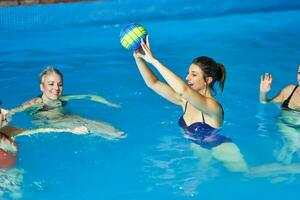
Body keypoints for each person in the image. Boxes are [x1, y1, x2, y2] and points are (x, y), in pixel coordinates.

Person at [133, 36, 247, 172]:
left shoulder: (213, 107)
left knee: (247, 175)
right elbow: (153, 83)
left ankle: (279, 168)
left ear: (208, 80)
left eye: (194, 74)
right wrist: (138, 57)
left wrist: (154, 61)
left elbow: (182, 90)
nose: (187, 78)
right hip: (199, 150)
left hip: (221, 149)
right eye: (188, 73)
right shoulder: (184, 102)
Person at [7, 66, 124, 139]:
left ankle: (112, 133)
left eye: (60, 84)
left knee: (85, 121)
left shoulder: (62, 99)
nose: (56, 88)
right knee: (83, 122)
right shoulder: (36, 102)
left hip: (67, 118)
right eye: (51, 84)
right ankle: (112, 134)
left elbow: (89, 96)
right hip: (48, 123)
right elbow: (12, 111)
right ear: (42, 87)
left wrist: (109, 103)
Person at [260, 65, 300, 164]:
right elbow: (265, 102)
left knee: (288, 149)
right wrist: (263, 92)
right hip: (283, 127)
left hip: (295, 135)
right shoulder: (289, 90)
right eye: (299, 73)